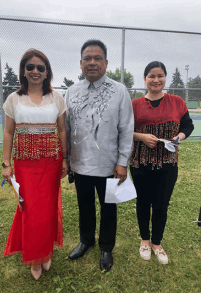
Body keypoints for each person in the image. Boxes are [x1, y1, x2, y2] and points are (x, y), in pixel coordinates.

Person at [65, 40, 134, 272]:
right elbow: (65, 127)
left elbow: (126, 129)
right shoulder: (71, 92)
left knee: (109, 207)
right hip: (80, 164)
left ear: (106, 63)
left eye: (97, 58)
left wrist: (122, 162)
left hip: (109, 165)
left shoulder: (119, 91)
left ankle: (106, 247)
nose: (92, 62)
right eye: (87, 58)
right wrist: (67, 160)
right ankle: (86, 240)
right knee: (84, 205)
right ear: (81, 63)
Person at [2, 49, 67, 280]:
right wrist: (6, 163)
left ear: (47, 71)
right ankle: (34, 256)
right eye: (30, 67)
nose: (35, 71)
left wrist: (66, 159)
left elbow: (61, 130)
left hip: (51, 162)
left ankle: (45, 251)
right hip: (25, 164)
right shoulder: (14, 99)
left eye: (40, 67)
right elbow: (9, 133)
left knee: (48, 208)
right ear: (24, 71)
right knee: (29, 210)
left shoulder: (56, 98)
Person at [129, 61, 194, 264]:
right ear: (145, 79)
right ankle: (145, 240)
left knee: (161, 205)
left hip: (168, 164)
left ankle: (157, 242)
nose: (156, 80)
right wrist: (141, 137)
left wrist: (180, 136)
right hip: (140, 164)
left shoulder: (177, 102)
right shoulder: (135, 105)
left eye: (160, 75)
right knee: (143, 203)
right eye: (151, 76)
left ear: (165, 78)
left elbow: (187, 125)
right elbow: (123, 131)